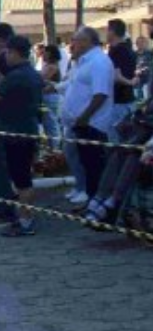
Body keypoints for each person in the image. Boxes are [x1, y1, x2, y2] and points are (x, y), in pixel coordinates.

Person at [0, 35, 44, 236]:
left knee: (22, 180)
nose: (5, 56)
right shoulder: (28, 73)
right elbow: (7, 85)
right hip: (25, 130)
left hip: (18, 133)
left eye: (7, 52)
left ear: (14, 52)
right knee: (21, 177)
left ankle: (26, 221)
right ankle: (24, 218)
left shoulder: (19, 75)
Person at [61, 26, 115, 203]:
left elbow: (101, 94)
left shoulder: (99, 62)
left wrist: (84, 117)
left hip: (92, 124)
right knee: (85, 162)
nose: (72, 43)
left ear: (87, 41)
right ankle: (90, 199)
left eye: (76, 39)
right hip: (81, 123)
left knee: (94, 166)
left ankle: (96, 202)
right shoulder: (83, 61)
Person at [105, 19, 138, 142]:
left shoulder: (116, 50)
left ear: (112, 32)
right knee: (127, 139)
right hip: (128, 100)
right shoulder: (129, 50)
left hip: (117, 102)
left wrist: (131, 82)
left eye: (107, 30)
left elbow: (116, 76)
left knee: (115, 141)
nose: (106, 33)